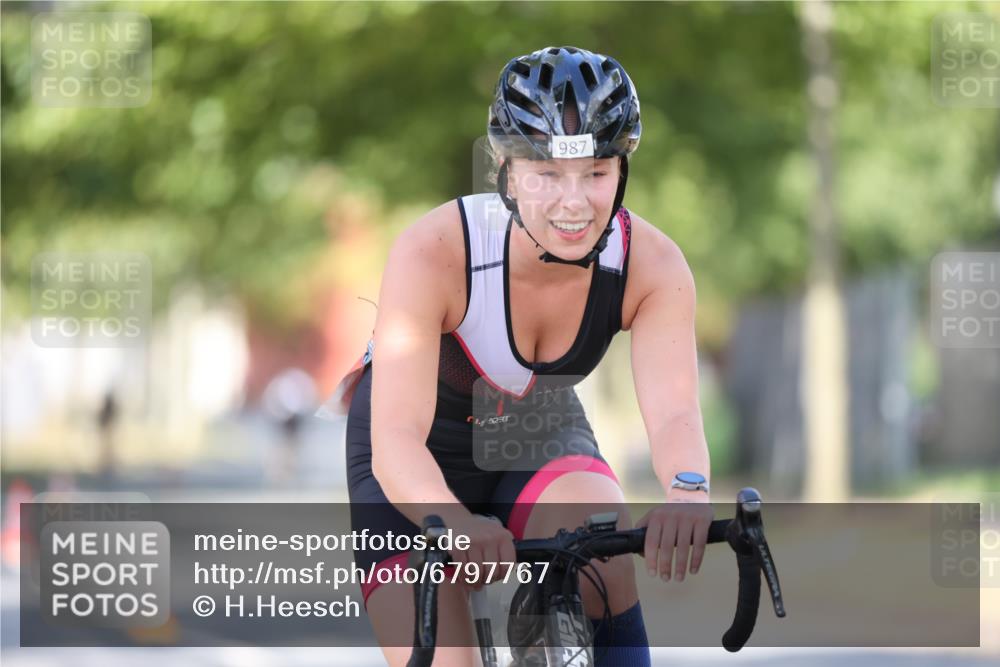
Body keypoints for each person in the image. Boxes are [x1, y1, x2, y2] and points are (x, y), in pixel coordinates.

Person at [334, 45, 713, 666]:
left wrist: (688, 495)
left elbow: (675, 413)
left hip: (535, 431)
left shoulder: (652, 265)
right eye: (545, 175)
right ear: (505, 172)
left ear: (623, 171)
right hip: (413, 459)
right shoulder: (436, 249)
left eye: (595, 173)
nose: (573, 203)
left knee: (604, 546)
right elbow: (396, 440)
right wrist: (454, 523)